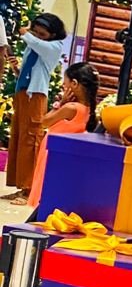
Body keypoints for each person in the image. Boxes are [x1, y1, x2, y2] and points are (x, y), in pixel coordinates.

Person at [3, 13, 67, 199]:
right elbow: (30, 72)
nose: (38, 36)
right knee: (18, 138)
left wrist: (26, 33)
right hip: (23, 93)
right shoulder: (35, 45)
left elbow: (36, 43)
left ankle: (30, 189)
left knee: (31, 139)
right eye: (35, 32)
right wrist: (16, 69)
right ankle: (20, 186)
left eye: (42, 34)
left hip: (36, 96)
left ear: (53, 35)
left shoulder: (54, 47)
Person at [24, 61, 98, 211]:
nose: (63, 86)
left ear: (74, 84)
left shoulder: (70, 107)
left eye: (65, 83)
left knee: (44, 186)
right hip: (63, 153)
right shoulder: (87, 108)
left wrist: (60, 103)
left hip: (52, 152)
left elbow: (44, 122)